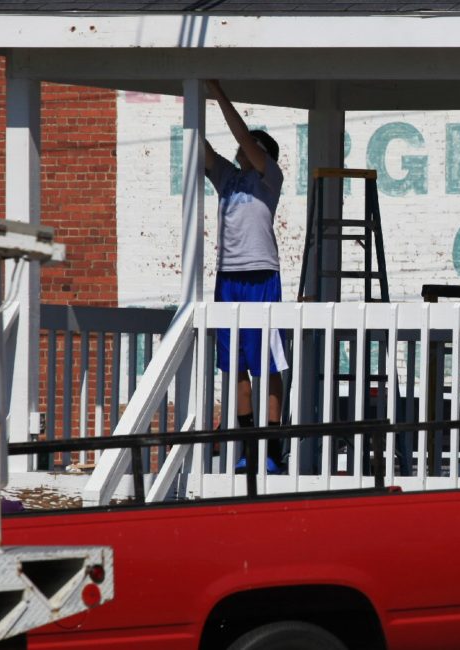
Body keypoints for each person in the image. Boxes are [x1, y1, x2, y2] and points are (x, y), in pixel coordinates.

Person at [202, 79, 289, 467]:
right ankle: (245, 447)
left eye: (248, 147)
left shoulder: (269, 178)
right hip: (228, 277)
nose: (239, 148)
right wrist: (190, 97)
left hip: (260, 275)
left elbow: (241, 134)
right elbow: (200, 148)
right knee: (234, 364)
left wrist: (218, 91)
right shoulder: (228, 177)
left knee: (266, 364)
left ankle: (271, 449)